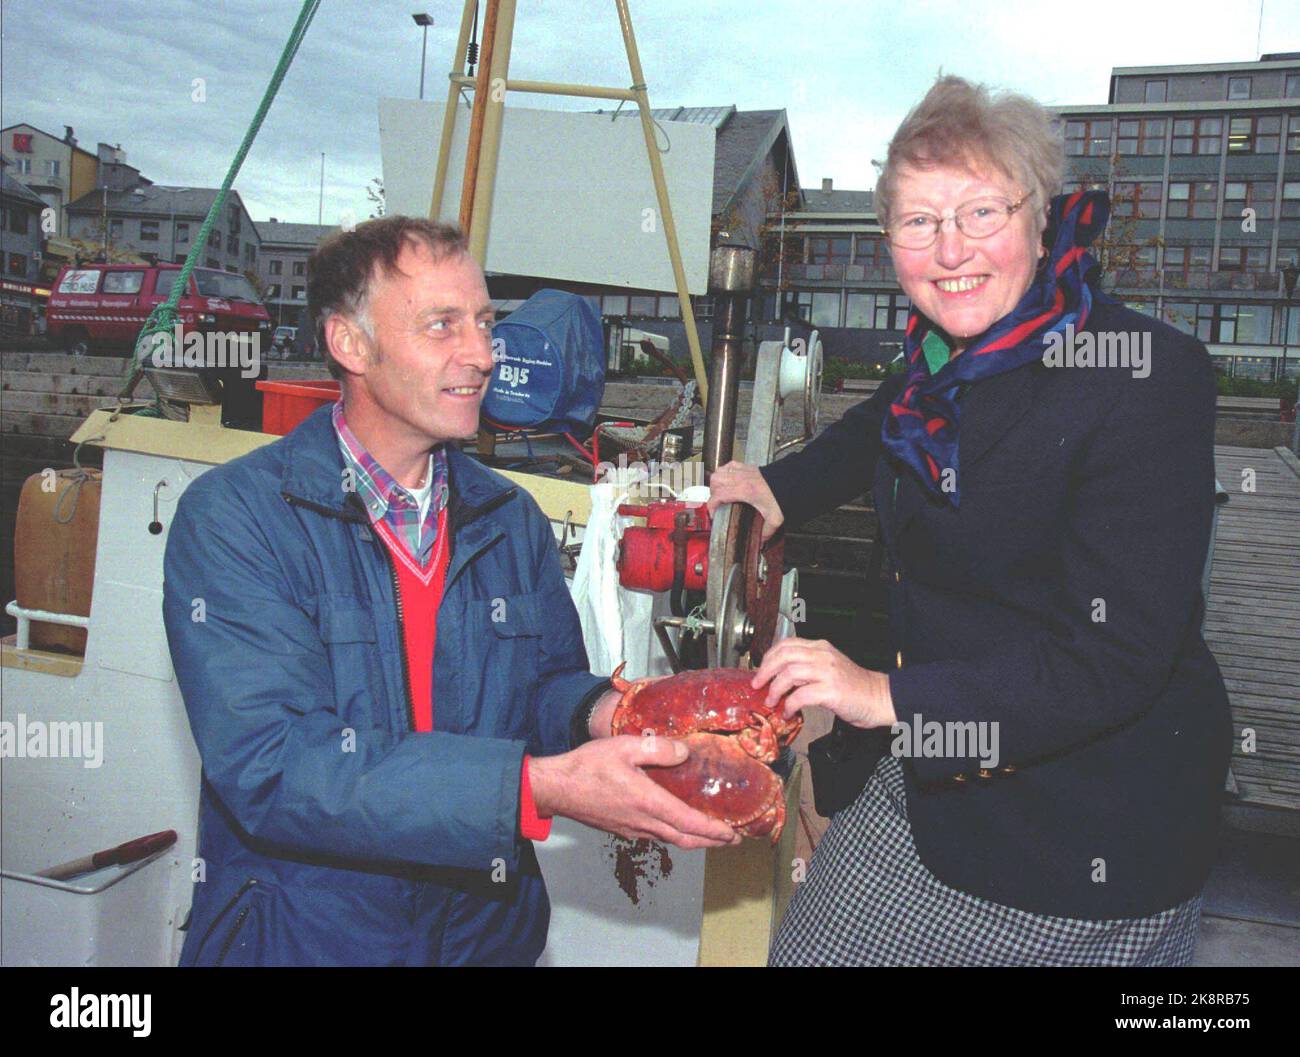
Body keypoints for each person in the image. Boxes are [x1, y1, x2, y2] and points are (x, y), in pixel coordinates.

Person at [709, 76, 1231, 966]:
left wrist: (880, 696)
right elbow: (884, 423)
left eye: (982, 210)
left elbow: (1112, 659)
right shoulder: (941, 359)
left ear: (1042, 217)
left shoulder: (1146, 377)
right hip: (936, 766)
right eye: (918, 221)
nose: (950, 248)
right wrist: (777, 485)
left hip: (1085, 825)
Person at [163, 216, 736, 967]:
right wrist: (535, 786)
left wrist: (622, 713)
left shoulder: (508, 517)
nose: (482, 355)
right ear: (350, 344)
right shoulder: (237, 517)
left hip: (480, 937)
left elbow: (540, 688)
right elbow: (277, 762)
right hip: (307, 938)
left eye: (485, 323)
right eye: (443, 326)